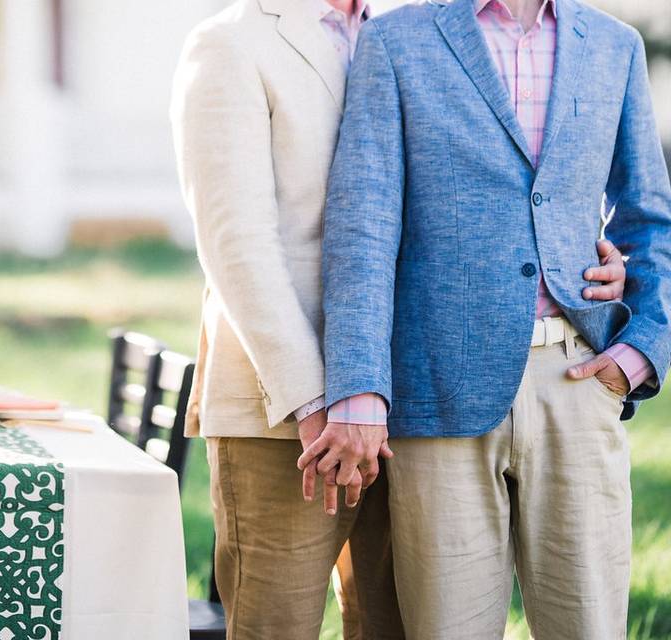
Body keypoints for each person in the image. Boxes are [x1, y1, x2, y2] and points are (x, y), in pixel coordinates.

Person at [172, 1, 631, 638]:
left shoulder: (404, 29)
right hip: (282, 411)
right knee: (278, 625)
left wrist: (604, 260)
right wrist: (319, 402)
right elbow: (236, 246)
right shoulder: (230, 42)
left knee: (391, 623)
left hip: (412, 404)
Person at [314, 0, 671, 637]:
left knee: (589, 625)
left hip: (579, 382)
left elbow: (647, 219)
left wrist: (643, 346)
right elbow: (362, 228)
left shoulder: (614, 46)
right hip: (437, 389)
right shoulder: (397, 42)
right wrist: (361, 388)